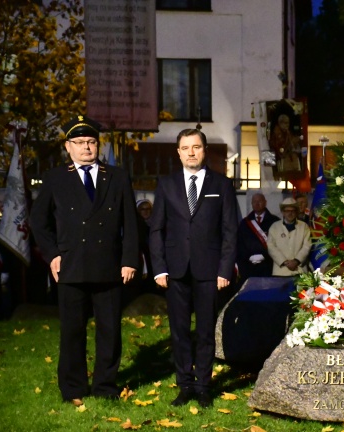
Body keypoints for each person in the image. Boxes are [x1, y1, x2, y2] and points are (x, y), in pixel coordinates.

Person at [30, 115, 138, 405]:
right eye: (79, 143)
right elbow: (38, 222)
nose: (87, 148)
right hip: (71, 265)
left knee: (110, 330)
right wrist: (52, 254)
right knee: (72, 331)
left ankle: (105, 385)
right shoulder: (55, 178)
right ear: (68, 147)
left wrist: (129, 260)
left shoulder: (116, 176)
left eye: (91, 142)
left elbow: (131, 222)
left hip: (109, 265)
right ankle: (73, 388)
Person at [148, 129, 238, 408]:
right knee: (179, 331)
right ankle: (184, 384)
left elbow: (230, 231)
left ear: (204, 150)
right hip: (174, 271)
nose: (190, 152)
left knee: (205, 331)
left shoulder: (221, 185)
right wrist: (159, 268)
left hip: (209, 272)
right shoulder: (166, 185)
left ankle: (202, 386)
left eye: (196, 147)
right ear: (178, 152)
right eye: (185, 147)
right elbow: (156, 230)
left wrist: (224, 270)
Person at [236, 192, 279, 280]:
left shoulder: (275, 221)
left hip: (268, 265)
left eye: (259, 201)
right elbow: (240, 244)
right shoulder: (245, 223)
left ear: (265, 202)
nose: (257, 203)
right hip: (249, 266)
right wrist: (248, 256)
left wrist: (265, 255)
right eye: (254, 201)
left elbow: (278, 244)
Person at [268, 197, 311, 276]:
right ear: (283, 212)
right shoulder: (274, 227)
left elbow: (307, 246)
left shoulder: (304, 226)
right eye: (287, 211)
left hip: (300, 271)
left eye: (292, 211)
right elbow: (271, 247)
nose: (290, 213)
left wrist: (296, 261)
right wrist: (284, 262)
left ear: (296, 212)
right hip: (280, 272)